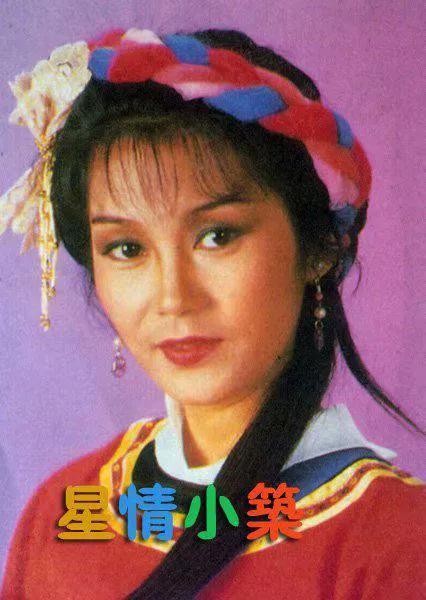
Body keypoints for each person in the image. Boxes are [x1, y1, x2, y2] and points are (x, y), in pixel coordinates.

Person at [1, 26, 424, 600]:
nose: (173, 297)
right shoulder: (63, 514)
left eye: (217, 235)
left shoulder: (400, 542)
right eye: (126, 248)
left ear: (319, 248)